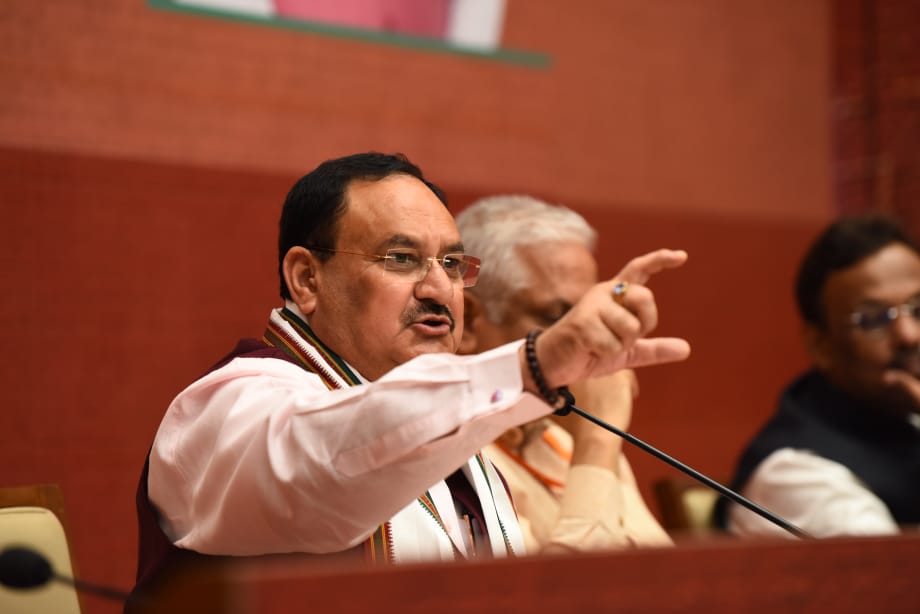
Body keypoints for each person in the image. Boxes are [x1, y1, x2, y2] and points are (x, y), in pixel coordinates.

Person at [131, 152, 691, 600]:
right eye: (401, 259)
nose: (438, 288)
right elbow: (324, 457)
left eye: (451, 264)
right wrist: (532, 367)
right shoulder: (229, 408)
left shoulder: (461, 439)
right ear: (306, 279)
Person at [455, 195, 674, 552]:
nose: (591, 344)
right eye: (559, 319)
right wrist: (598, 441)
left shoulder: (564, 435)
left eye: (594, 317)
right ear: (467, 323)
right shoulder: (444, 460)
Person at [717, 213, 920, 538]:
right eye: (872, 319)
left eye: (918, 307)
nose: (909, 335)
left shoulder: (906, 412)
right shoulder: (796, 474)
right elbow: (900, 584)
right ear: (820, 345)